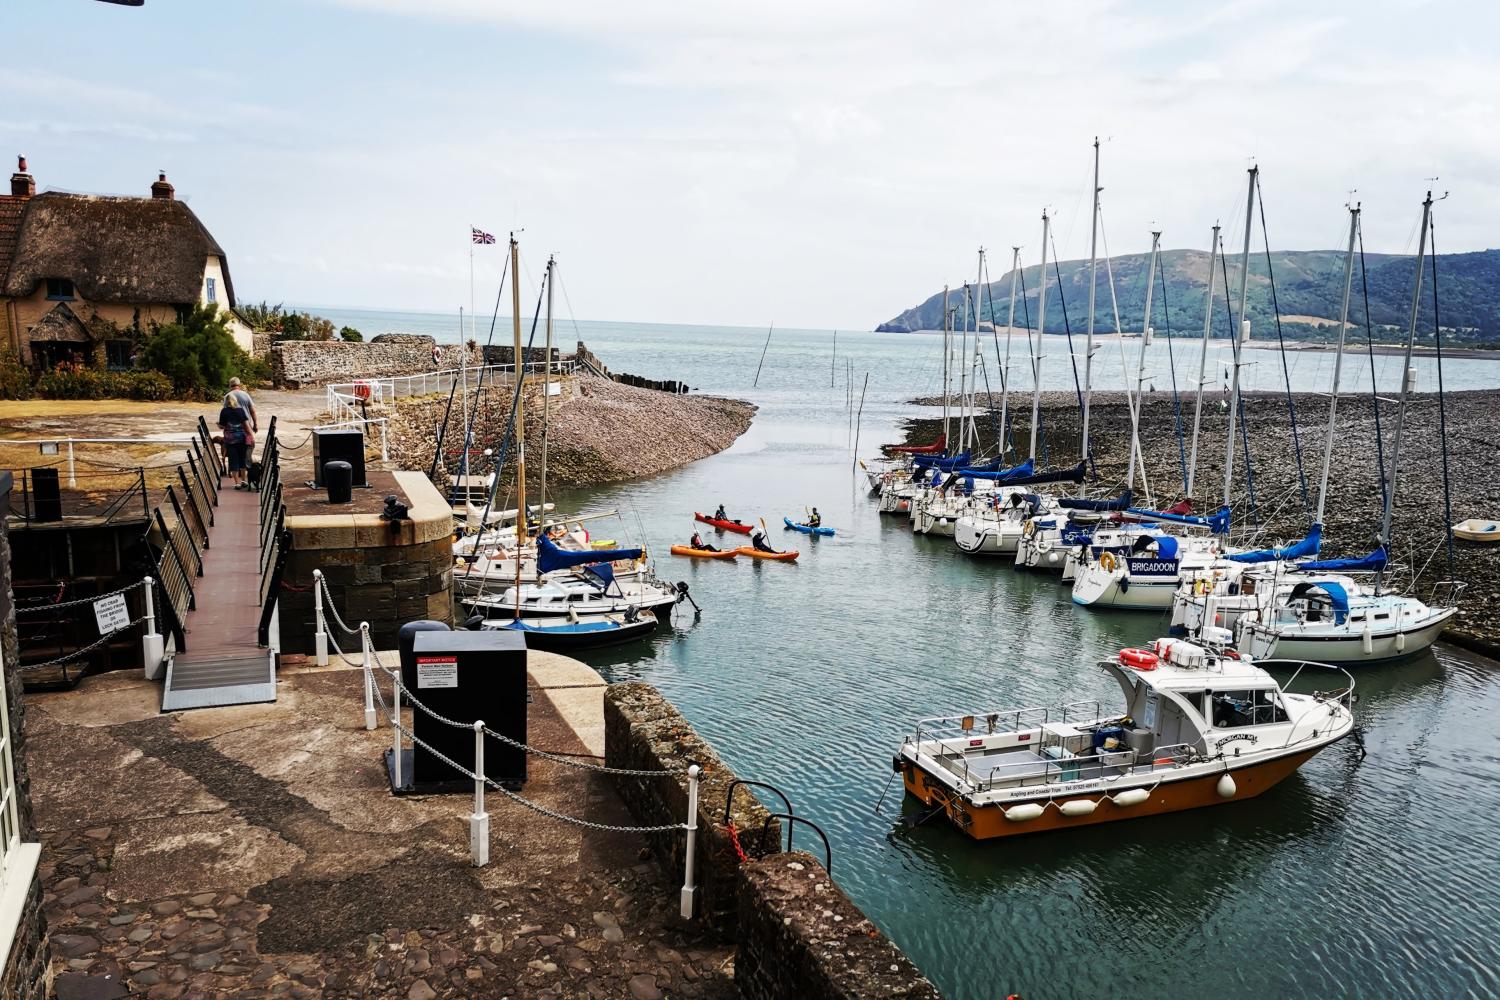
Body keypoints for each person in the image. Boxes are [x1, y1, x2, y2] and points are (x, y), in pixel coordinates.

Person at [217, 392, 253, 490]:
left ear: (226, 402)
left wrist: (218, 425)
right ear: (235, 401)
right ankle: (244, 480)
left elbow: (222, 426)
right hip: (241, 438)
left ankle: (237, 483)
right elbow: (246, 424)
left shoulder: (224, 411)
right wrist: (251, 436)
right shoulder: (240, 411)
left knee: (233, 460)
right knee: (242, 459)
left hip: (230, 440)